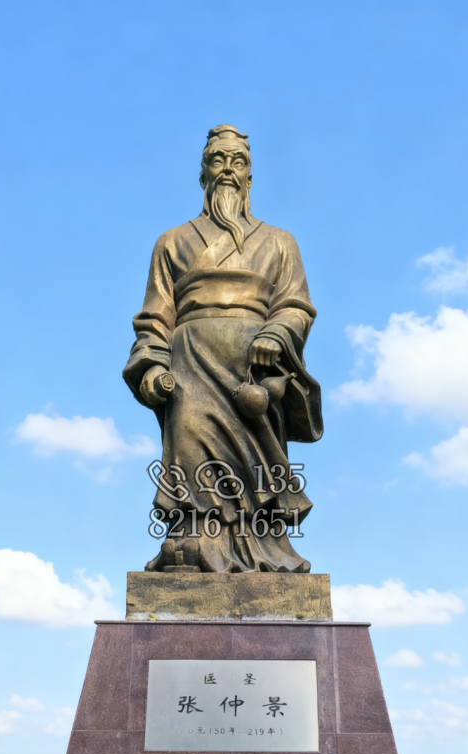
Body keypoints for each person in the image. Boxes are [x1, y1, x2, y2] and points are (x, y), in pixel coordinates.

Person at [123, 125, 323, 573]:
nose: (228, 170)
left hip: (254, 371)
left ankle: (265, 550)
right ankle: (194, 540)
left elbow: (296, 305)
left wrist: (276, 334)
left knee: (255, 468)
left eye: (238, 162)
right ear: (203, 174)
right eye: (218, 160)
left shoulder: (280, 242)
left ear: (250, 176)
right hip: (190, 364)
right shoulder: (172, 242)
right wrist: (152, 366)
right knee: (190, 439)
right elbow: (155, 317)